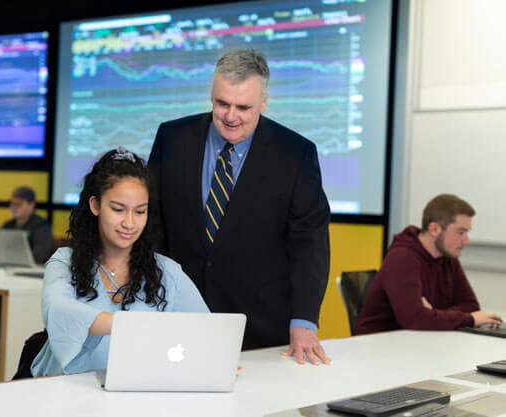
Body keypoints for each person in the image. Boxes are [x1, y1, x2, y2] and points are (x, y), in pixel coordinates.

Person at [148, 49, 331, 365]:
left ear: (264, 102)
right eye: (222, 104)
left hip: (260, 329)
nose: (231, 116)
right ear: (211, 96)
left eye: (243, 107)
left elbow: (309, 244)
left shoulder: (295, 155)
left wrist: (304, 321)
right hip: (178, 322)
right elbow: (153, 224)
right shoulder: (172, 138)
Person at [31, 148, 208, 377]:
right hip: (64, 395)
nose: (129, 223)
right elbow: (58, 310)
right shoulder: (64, 262)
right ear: (95, 205)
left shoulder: (166, 271)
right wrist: (128, 325)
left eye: (140, 211)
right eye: (118, 209)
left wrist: (216, 360)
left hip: (134, 397)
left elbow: (208, 331)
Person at [355, 194, 503, 335]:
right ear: (434, 229)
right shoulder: (402, 257)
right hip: (379, 347)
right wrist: (468, 319)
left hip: (416, 343)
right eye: (460, 232)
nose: (466, 241)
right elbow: (414, 319)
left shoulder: (447, 256)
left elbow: (471, 306)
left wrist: (432, 315)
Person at [0, 186, 54, 264]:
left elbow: (39, 256)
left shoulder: (42, 226)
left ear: (31, 205)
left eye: (19, 204)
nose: (13, 207)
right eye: (12, 204)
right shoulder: (8, 224)